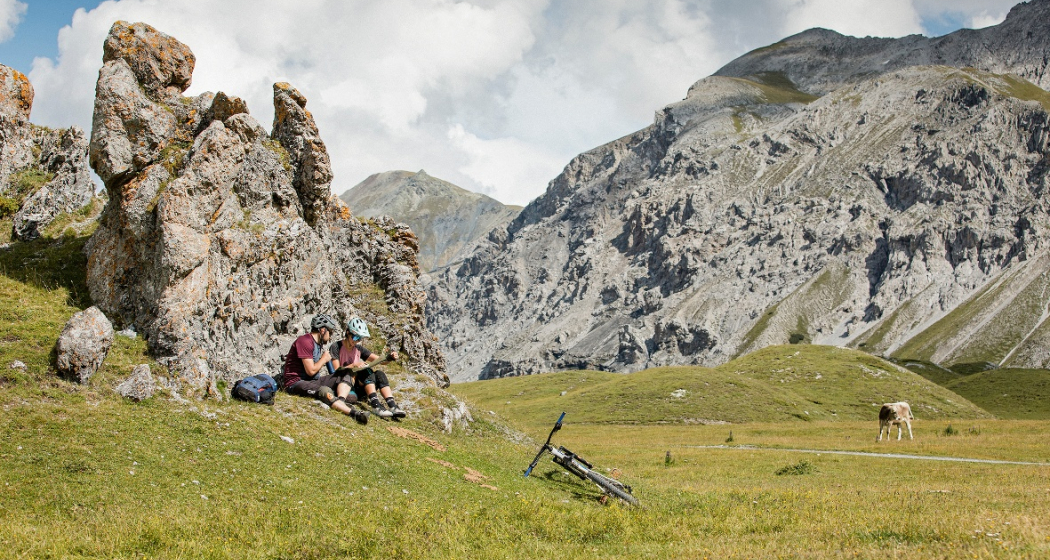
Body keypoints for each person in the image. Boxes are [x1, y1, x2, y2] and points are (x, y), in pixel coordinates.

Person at [282, 314, 368, 424]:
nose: (331, 335)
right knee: (324, 391)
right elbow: (311, 371)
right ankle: (354, 414)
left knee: (346, 373)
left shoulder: (317, 344)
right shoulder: (305, 341)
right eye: (330, 332)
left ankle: (341, 401)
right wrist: (323, 359)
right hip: (295, 383)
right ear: (323, 330)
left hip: (311, 381)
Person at [330, 317, 406, 419]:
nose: (356, 341)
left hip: (358, 384)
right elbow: (336, 370)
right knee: (365, 371)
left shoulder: (358, 349)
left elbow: (379, 360)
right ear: (348, 332)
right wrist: (353, 365)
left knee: (379, 374)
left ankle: (392, 406)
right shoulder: (336, 346)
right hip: (344, 383)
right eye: (355, 337)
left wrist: (390, 357)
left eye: (359, 339)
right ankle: (376, 405)